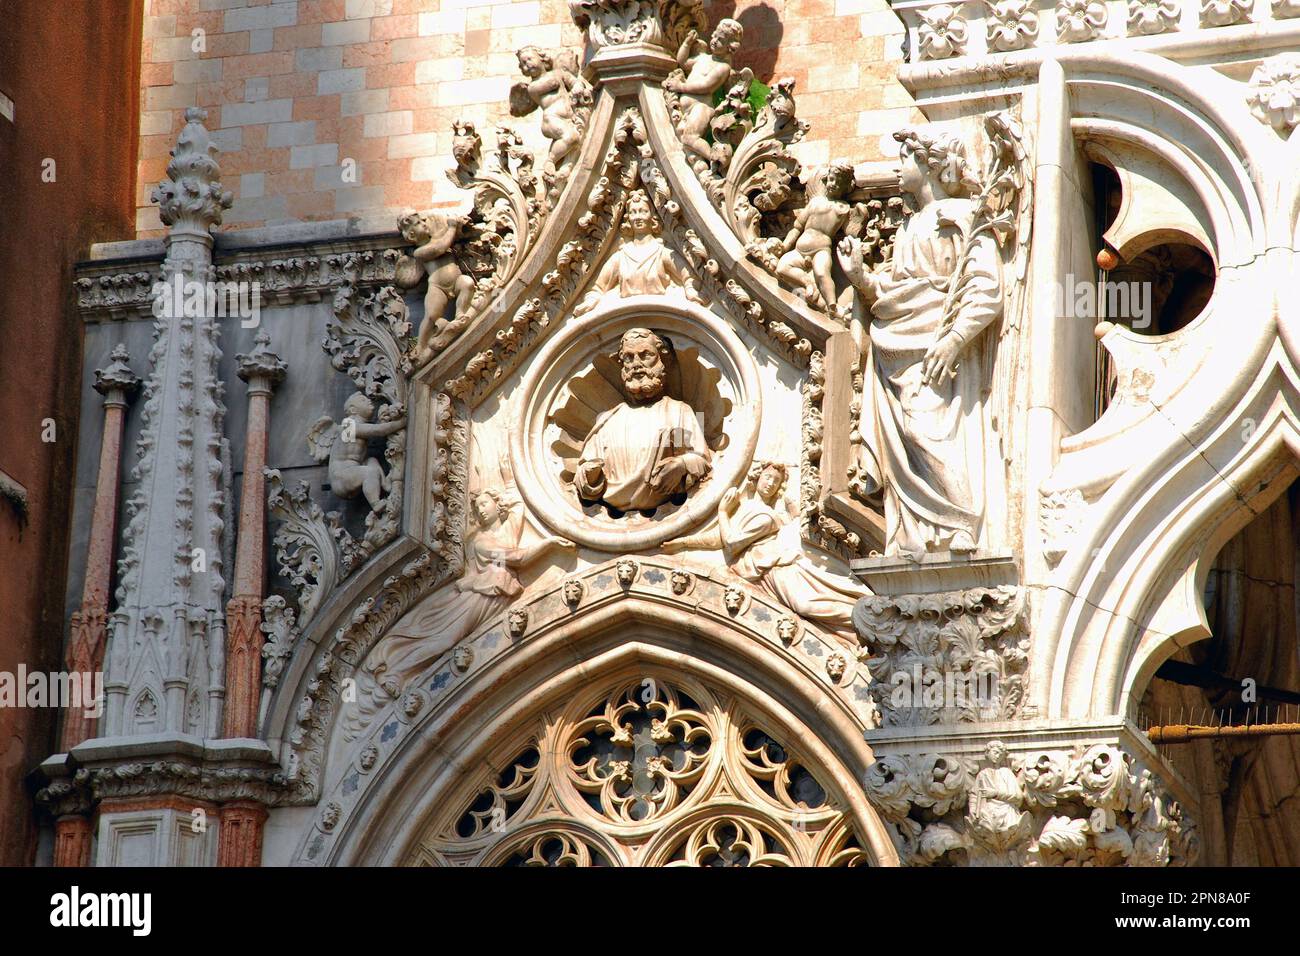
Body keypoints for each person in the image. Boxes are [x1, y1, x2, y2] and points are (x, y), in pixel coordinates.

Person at [838, 126, 1003, 555]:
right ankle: (920, 535)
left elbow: (985, 287)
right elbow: (892, 292)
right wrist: (860, 276)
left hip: (934, 346)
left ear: (928, 165)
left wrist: (955, 339)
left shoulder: (962, 217)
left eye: (904, 158)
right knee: (910, 439)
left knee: (924, 430)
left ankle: (961, 521)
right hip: (896, 345)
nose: (897, 167)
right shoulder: (910, 227)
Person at [665, 461, 865, 645]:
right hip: (765, 573)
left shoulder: (766, 517)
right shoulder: (746, 508)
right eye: (767, 477)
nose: (770, 483)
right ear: (757, 477)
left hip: (777, 570)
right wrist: (683, 542)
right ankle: (857, 636)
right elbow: (720, 538)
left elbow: (732, 544)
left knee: (806, 605)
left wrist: (723, 512)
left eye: (776, 481)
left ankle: (861, 620)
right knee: (806, 606)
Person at [575, 328, 711, 513]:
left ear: (662, 361)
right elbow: (584, 472)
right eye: (629, 358)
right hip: (614, 513)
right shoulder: (607, 420)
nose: (636, 364)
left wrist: (680, 465)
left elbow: (700, 459)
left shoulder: (678, 411)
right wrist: (590, 475)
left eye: (645, 355)